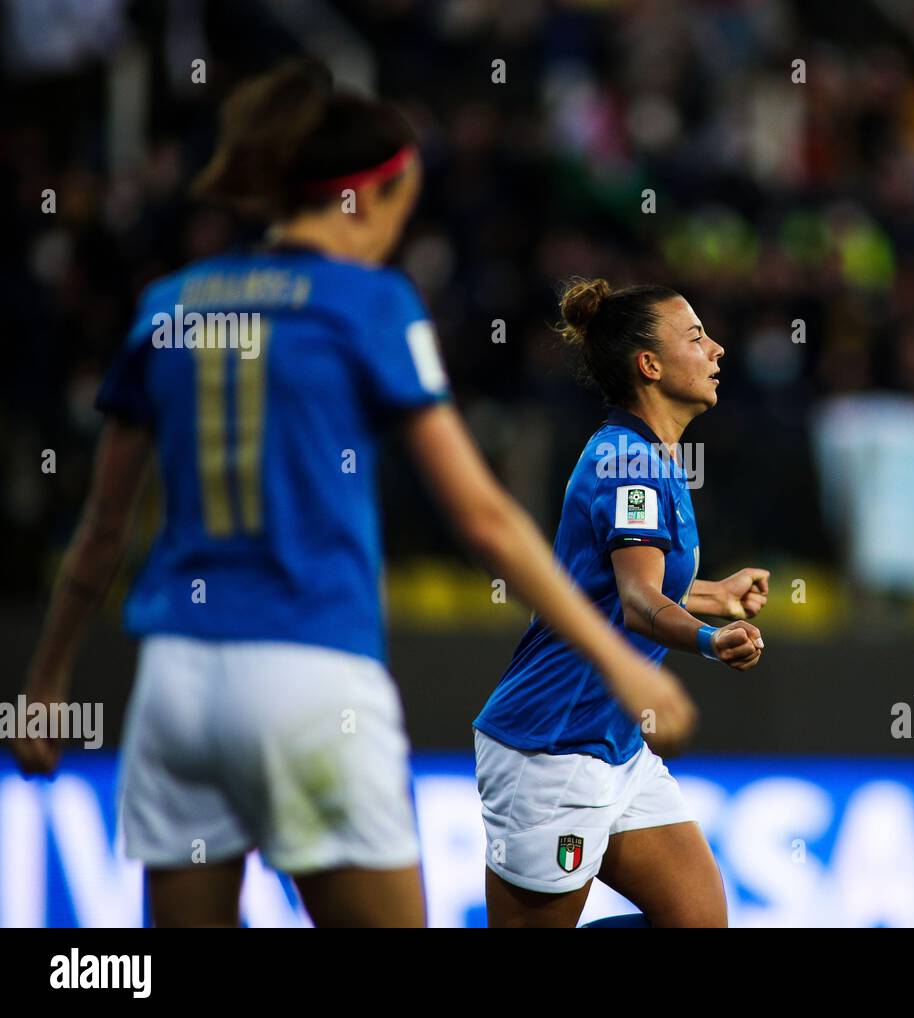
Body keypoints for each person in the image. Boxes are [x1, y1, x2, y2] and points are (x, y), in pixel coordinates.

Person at [12, 61, 695, 928]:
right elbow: (483, 516)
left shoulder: (169, 305)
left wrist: (43, 682)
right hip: (312, 681)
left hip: (175, 688)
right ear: (366, 195)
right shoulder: (367, 304)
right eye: (402, 203)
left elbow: (103, 530)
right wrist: (617, 659)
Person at [473, 278, 770, 927]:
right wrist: (707, 639)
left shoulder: (654, 456)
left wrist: (715, 595)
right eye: (696, 337)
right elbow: (638, 603)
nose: (717, 349)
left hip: (617, 750)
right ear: (650, 365)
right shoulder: (627, 462)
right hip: (552, 749)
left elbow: (619, 584)